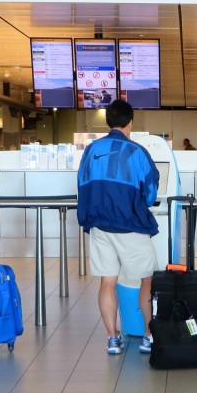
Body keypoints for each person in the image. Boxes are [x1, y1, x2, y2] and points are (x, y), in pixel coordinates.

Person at [76, 99, 160, 355]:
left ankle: (113, 338)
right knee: (147, 279)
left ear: (107, 122)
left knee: (107, 282)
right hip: (131, 226)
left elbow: (81, 184)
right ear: (130, 122)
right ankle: (148, 335)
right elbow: (150, 192)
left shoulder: (91, 151)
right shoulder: (137, 152)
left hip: (100, 226)